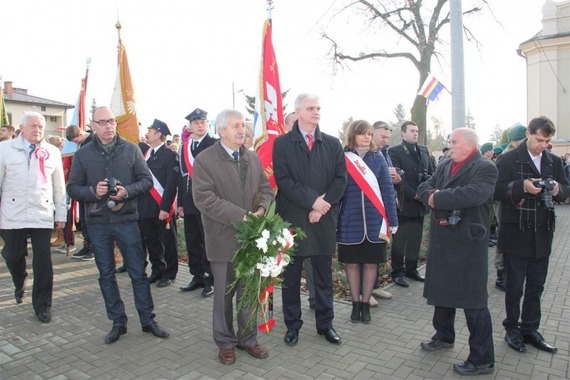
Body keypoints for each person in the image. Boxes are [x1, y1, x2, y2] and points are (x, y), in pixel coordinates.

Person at [67, 106, 169, 344]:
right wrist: (93, 191)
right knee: (106, 275)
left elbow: (146, 181)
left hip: (127, 221)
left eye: (111, 121)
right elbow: (73, 188)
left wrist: (126, 191)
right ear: (93, 125)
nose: (108, 126)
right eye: (102, 122)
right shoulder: (83, 154)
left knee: (138, 273)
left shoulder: (131, 149)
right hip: (98, 222)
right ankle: (118, 322)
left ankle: (147, 320)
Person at [192, 109, 273, 365]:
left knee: (248, 292)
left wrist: (261, 210)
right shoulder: (205, 160)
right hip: (222, 237)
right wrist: (243, 216)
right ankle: (225, 342)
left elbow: (265, 189)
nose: (242, 129)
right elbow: (205, 199)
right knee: (224, 296)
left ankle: (248, 338)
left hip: (251, 240)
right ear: (221, 130)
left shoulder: (251, 157)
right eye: (237, 125)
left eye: (243, 125)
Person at [417, 127, 497, 376]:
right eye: (449, 141)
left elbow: (474, 194)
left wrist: (437, 198)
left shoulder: (485, 167)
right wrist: (431, 195)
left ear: (470, 145)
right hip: (444, 239)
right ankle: (443, 335)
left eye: (453, 141)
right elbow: (425, 186)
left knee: (473, 301)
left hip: (468, 242)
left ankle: (482, 359)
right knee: (442, 291)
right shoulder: (444, 165)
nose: (449, 145)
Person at [273, 93, 347, 346]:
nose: (316, 112)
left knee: (323, 278)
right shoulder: (282, 143)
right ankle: (292, 326)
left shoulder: (332, 143)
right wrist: (312, 201)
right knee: (290, 279)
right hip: (292, 219)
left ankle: (325, 325)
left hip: (322, 220)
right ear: (298, 112)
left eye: (318, 108)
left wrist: (321, 207)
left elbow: (340, 180)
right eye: (310, 108)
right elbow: (284, 181)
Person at [495, 116, 569, 354]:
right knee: (514, 287)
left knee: (537, 286)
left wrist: (557, 189)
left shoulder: (554, 161)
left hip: (543, 233)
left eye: (547, 141)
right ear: (528, 133)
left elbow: (566, 189)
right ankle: (512, 329)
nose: (543, 145)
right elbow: (496, 190)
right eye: (539, 139)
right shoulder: (507, 159)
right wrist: (521, 186)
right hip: (516, 232)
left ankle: (530, 329)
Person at [0, 112, 67, 323]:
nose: (37, 130)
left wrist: (61, 215)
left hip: (41, 213)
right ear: (22, 127)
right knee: (12, 256)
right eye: (32, 126)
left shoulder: (52, 152)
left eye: (40, 126)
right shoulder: (5, 150)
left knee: (43, 262)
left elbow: (59, 187)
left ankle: (42, 305)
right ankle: (19, 281)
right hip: (12, 213)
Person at [337, 120, 398, 324]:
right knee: (352, 264)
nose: (367, 137)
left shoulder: (378, 157)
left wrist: (392, 220)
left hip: (375, 222)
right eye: (362, 133)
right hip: (349, 220)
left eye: (370, 134)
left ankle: (365, 304)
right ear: (353, 135)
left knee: (371, 264)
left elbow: (388, 191)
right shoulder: (343, 158)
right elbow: (335, 190)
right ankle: (355, 305)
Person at [388, 121, 434, 287]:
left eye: (417, 130)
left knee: (415, 239)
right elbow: (396, 179)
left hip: (420, 204)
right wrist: (414, 194)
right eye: (412, 131)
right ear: (403, 133)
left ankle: (412, 269)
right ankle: (398, 272)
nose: (416, 133)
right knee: (400, 241)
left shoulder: (423, 151)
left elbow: (431, 174)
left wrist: (425, 192)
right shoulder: (395, 152)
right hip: (403, 203)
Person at [178, 108, 217, 297]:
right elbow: (182, 176)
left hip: (208, 200)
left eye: (203, 122)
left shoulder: (214, 144)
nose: (200, 125)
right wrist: (180, 202)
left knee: (207, 241)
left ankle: (211, 279)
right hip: (189, 200)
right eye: (196, 123)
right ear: (190, 126)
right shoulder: (184, 147)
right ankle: (197, 276)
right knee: (192, 240)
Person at [138, 119, 179, 288]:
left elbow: (171, 184)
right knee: (152, 241)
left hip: (162, 207)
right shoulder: (145, 154)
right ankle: (157, 270)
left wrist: (165, 208)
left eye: (151, 130)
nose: (147, 133)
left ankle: (170, 273)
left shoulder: (170, 155)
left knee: (168, 242)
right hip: (146, 207)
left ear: (159, 134)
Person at [370, 120, 404, 301]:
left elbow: (391, 180)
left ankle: (375, 286)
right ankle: (363, 291)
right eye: (382, 136)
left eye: (387, 137)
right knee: (367, 254)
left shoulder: (385, 153)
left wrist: (396, 178)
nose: (385, 140)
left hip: (384, 209)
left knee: (379, 251)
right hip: (370, 211)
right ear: (372, 132)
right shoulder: (365, 153)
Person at [65, 124, 95, 261]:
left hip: (92, 188)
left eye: (76, 140)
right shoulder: (82, 145)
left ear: (80, 134)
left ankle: (93, 248)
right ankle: (86, 244)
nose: (76, 143)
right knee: (84, 220)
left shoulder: (94, 141)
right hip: (82, 189)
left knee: (91, 220)